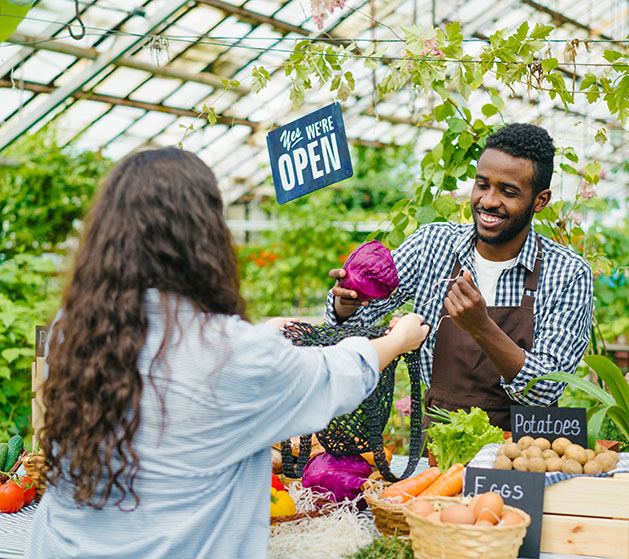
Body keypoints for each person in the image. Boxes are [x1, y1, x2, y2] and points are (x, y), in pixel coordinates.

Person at [26, 148, 430, 559]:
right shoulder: (232, 355)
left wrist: (254, 337)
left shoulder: (74, 329)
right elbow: (334, 375)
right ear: (204, 237)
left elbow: (173, 366)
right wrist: (397, 341)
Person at [325, 123, 594, 431]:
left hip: (522, 455)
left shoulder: (568, 273)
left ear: (540, 200)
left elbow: (544, 389)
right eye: (482, 185)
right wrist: (347, 304)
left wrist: (481, 328)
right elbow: (355, 324)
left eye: (508, 192)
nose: (489, 201)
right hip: (440, 445)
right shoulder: (432, 245)